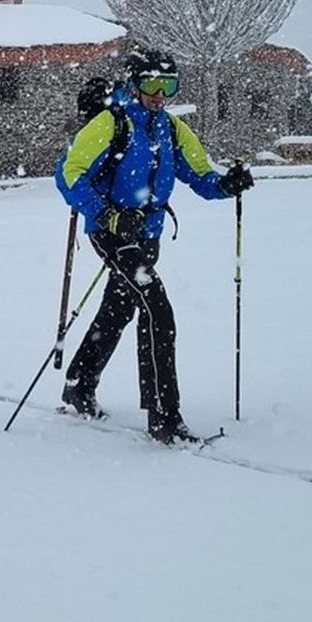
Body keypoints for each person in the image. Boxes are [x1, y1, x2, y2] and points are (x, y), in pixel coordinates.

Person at [53, 48, 255, 443]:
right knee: (157, 312)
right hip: (112, 232)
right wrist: (109, 214)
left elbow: (201, 176)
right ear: (133, 84)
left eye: (169, 85)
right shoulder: (112, 123)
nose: (159, 94)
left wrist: (227, 184)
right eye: (151, 84)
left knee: (118, 310)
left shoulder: (173, 130)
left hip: (148, 236)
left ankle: (79, 384)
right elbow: (69, 174)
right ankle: (164, 417)